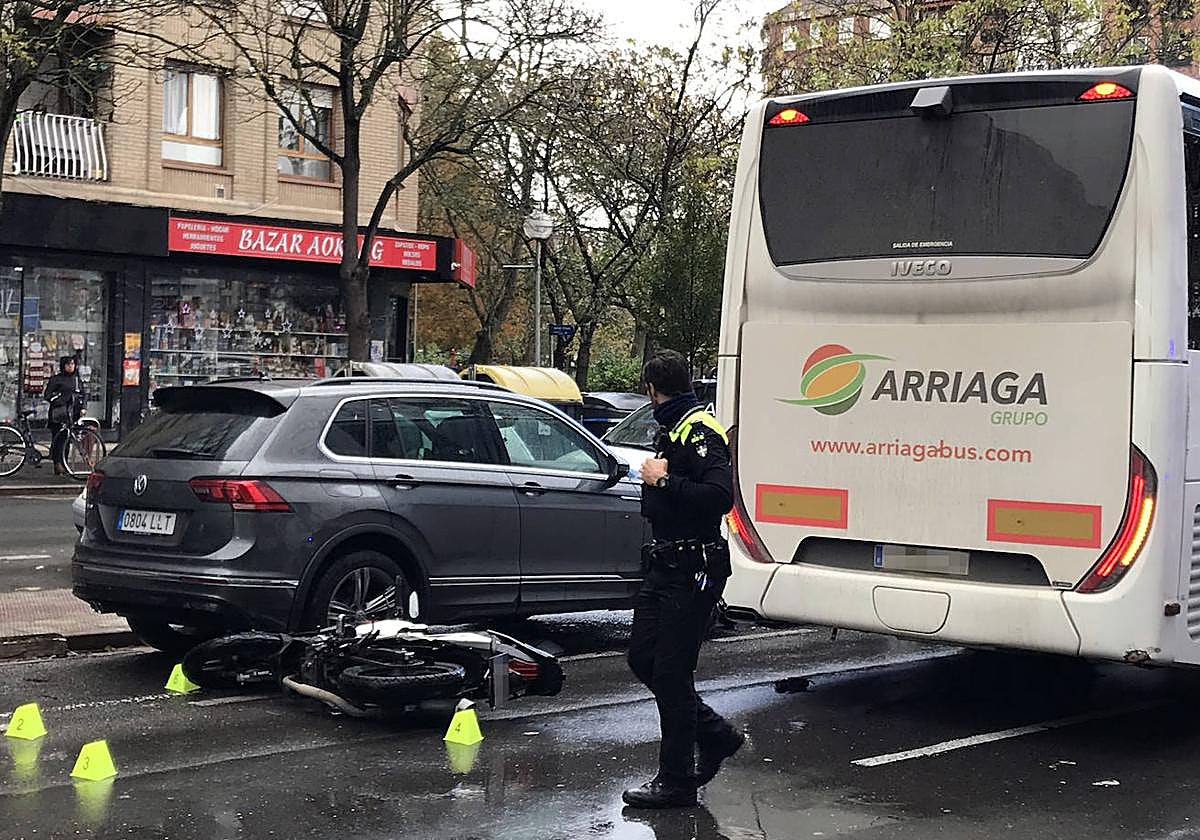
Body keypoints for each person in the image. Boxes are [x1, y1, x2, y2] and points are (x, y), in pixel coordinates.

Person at [623, 350, 744, 810]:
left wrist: (662, 482)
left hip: (694, 568)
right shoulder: (672, 430)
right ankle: (714, 733)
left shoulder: (700, 432)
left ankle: (675, 780)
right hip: (666, 565)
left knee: (672, 674)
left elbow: (719, 496)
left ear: (653, 390)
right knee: (642, 658)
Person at [44, 356, 84, 474]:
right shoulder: (56, 379)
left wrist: (83, 407)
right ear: (63, 366)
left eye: (72, 364)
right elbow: (48, 395)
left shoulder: (77, 380)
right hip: (59, 414)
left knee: (67, 441)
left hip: (72, 414)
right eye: (68, 364)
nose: (71, 366)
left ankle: (64, 462)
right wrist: (59, 399)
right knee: (58, 440)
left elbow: (83, 394)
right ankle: (57, 463)